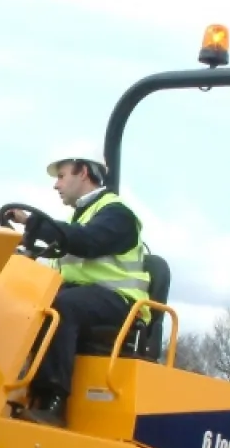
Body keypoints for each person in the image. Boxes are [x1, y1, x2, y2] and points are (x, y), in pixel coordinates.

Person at [9, 149, 150, 427]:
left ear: (83, 172)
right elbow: (73, 246)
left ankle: (53, 401)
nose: (56, 184)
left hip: (122, 303)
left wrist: (33, 223)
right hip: (89, 297)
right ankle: (17, 387)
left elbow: (87, 242)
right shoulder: (81, 218)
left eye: (61, 176)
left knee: (62, 307)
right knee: (28, 302)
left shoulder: (117, 215)